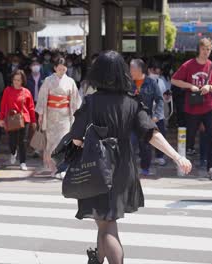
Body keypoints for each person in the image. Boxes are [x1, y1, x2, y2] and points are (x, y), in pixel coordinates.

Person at [69, 51, 192, 264]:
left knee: (106, 225)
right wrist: (176, 156)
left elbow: (76, 140)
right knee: (107, 220)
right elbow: (151, 133)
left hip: (97, 169)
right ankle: (97, 260)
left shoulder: (91, 102)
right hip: (124, 168)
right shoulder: (132, 101)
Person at [171, 38, 212, 180]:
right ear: (199, 49)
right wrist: (189, 86)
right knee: (190, 138)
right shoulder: (188, 65)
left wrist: (209, 87)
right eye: (204, 49)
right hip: (192, 107)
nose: (206, 52)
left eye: (209, 50)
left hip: (208, 106)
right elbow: (174, 80)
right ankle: (185, 163)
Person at [35, 58, 82, 177]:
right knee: (51, 142)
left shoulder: (70, 81)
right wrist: (40, 114)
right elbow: (41, 98)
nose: (62, 70)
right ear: (55, 68)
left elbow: (75, 99)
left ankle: (62, 168)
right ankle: (53, 168)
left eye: (64, 68)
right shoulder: (48, 80)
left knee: (64, 141)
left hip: (65, 115)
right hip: (51, 115)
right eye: (60, 68)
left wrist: (77, 114)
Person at [130, 58, 164, 175]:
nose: (130, 71)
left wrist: (157, 115)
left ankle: (145, 169)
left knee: (145, 147)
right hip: (131, 120)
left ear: (139, 69)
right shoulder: (128, 83)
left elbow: (159, 99)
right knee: (129, 145)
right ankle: (130, 171)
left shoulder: (151, 83)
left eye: (131, 68)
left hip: (145, 119)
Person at [0, 70, 36, 171]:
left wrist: (33, 121)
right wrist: (1, 118)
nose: (16, 82)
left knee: (23, 141)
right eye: (15, 80)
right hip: (11, 119)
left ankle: (23, 162)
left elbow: (31, 107)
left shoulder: (26, 92)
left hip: (24, 118)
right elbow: (3, 105)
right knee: (12, 140)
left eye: (18, 80)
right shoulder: (7, 90)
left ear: (22, 81)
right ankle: (13, 152)